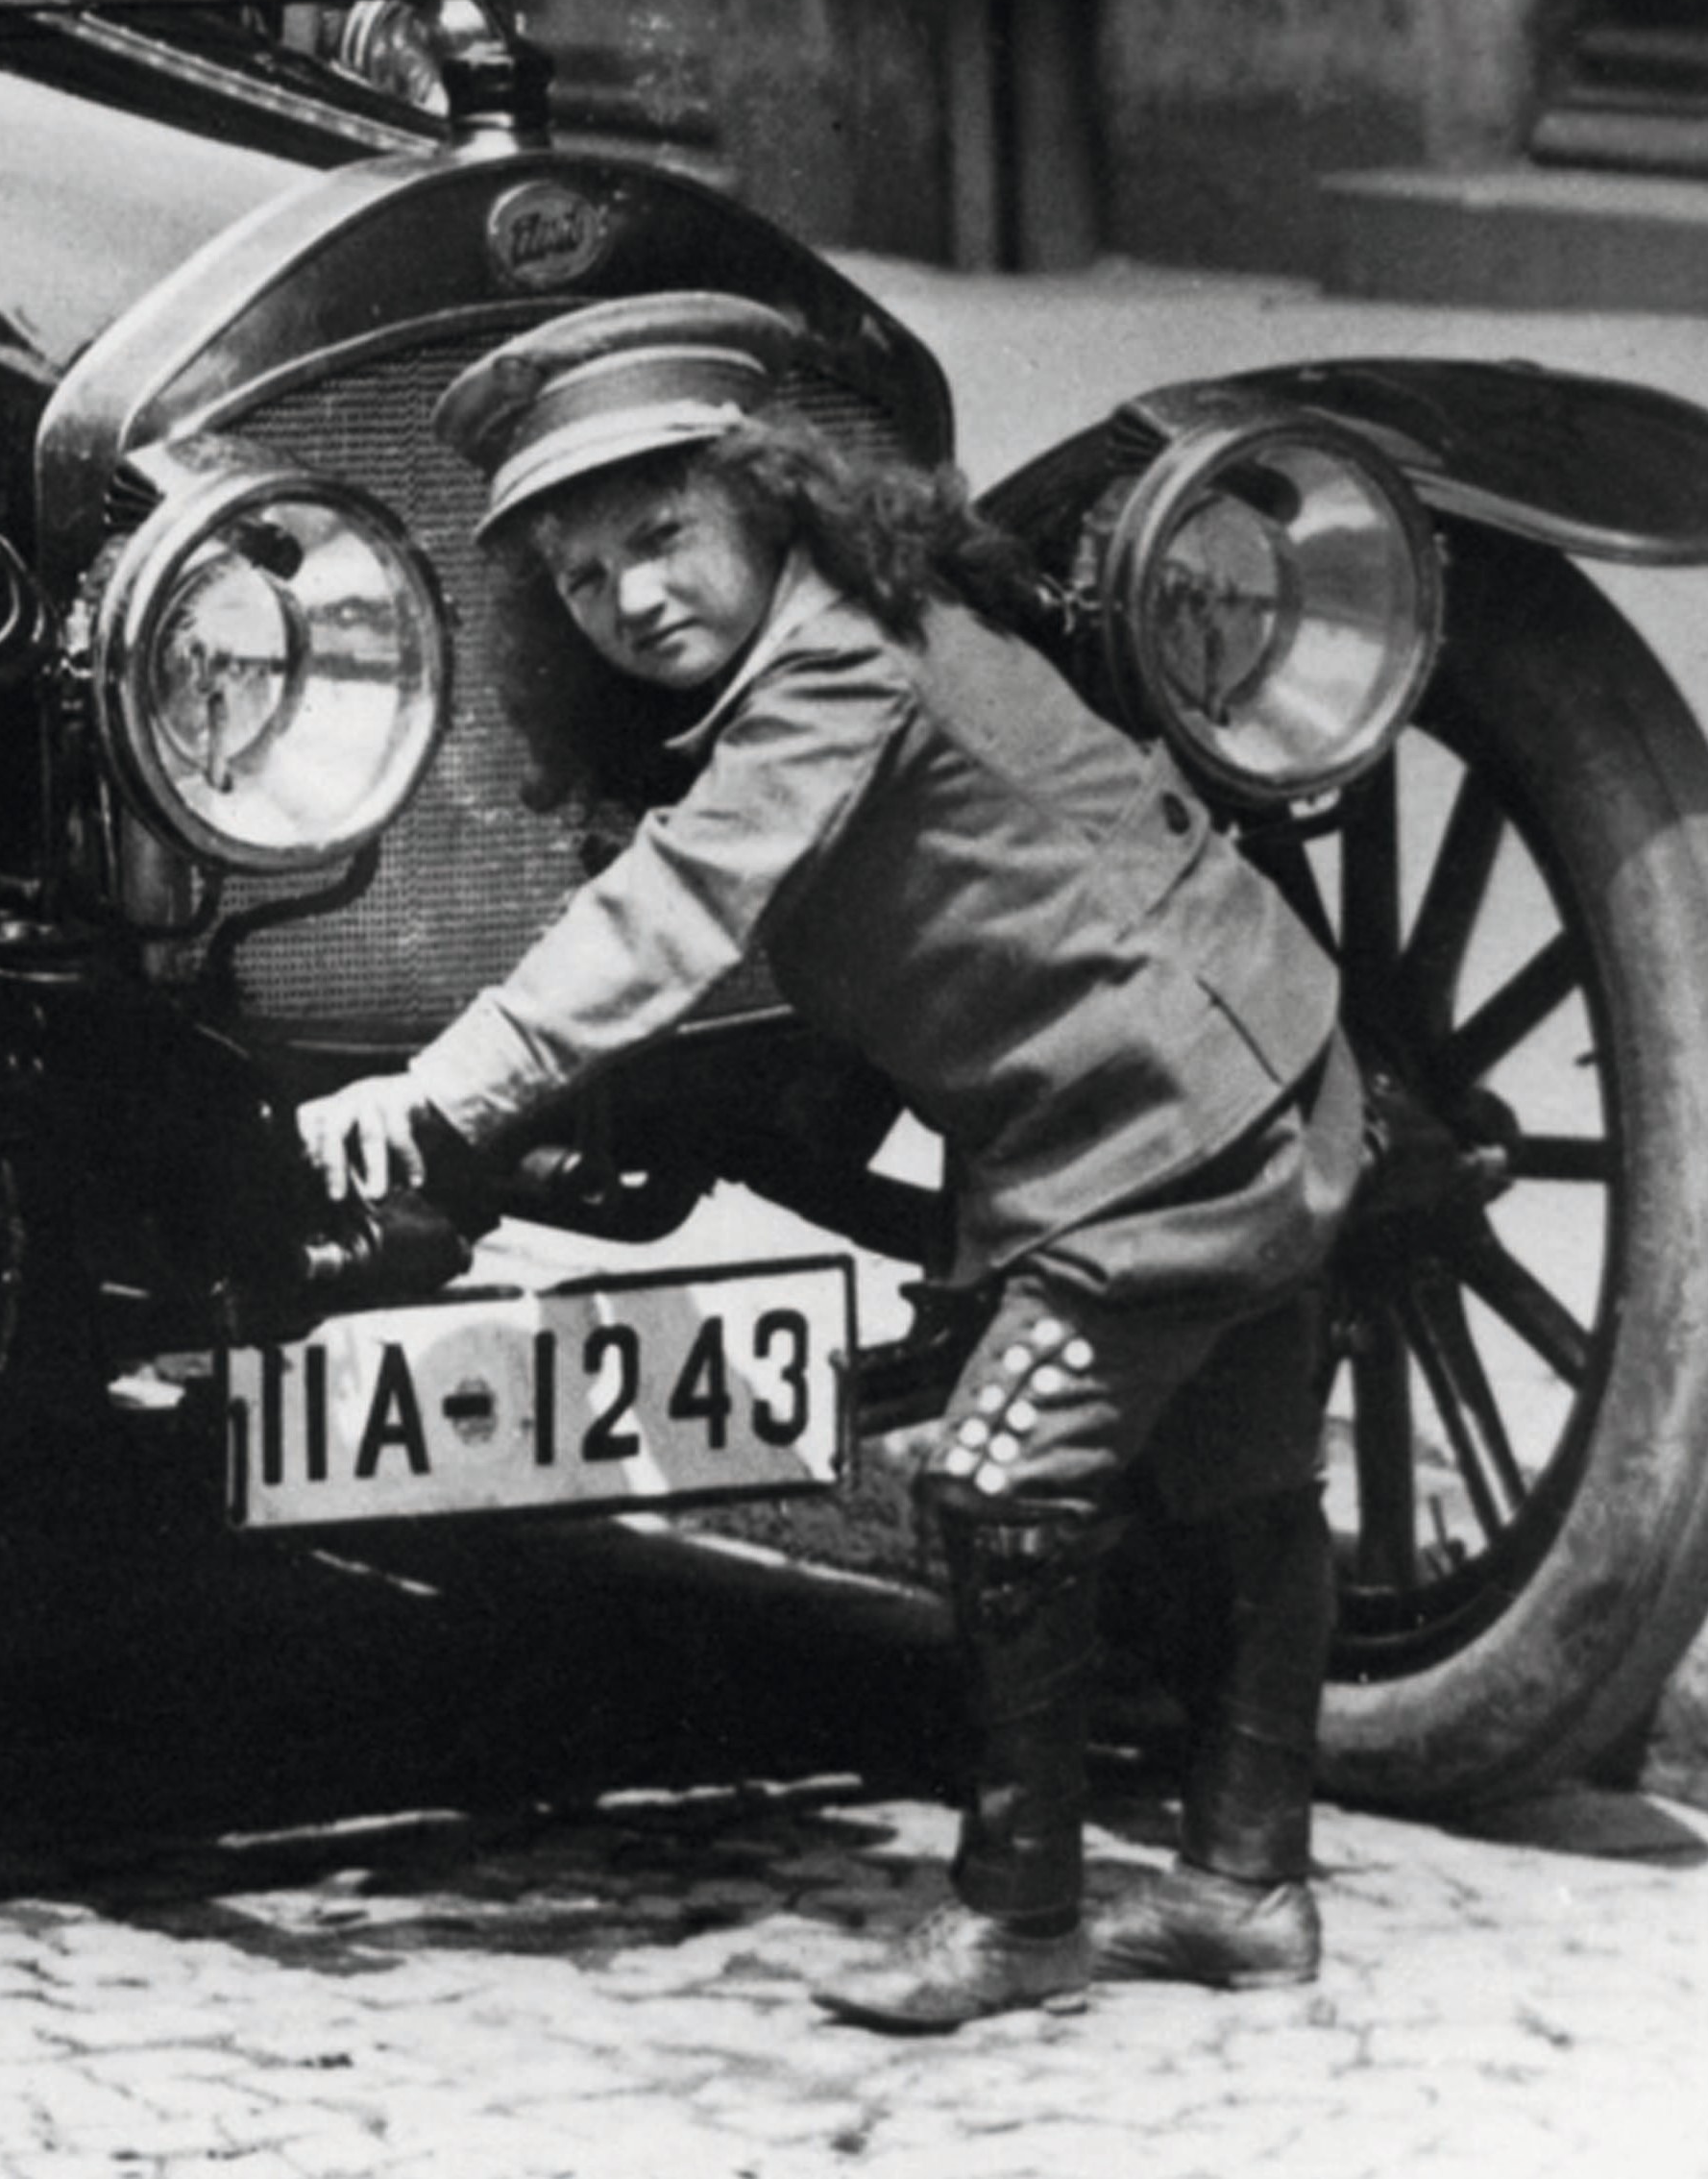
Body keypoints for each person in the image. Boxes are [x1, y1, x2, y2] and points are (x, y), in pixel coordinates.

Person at [290, 289, 1364, 2033]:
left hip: (1169, 1129)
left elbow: (678, 907)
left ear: (761, 495)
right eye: (579, 579)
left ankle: (1020, 1915)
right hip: (1219, 1076)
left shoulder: (832, 666)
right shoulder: (845, 625)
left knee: (997, 1486)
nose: (631, 598)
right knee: (1241, 1493)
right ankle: (1245, 1885)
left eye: (660, 537)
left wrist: (438, 1090)